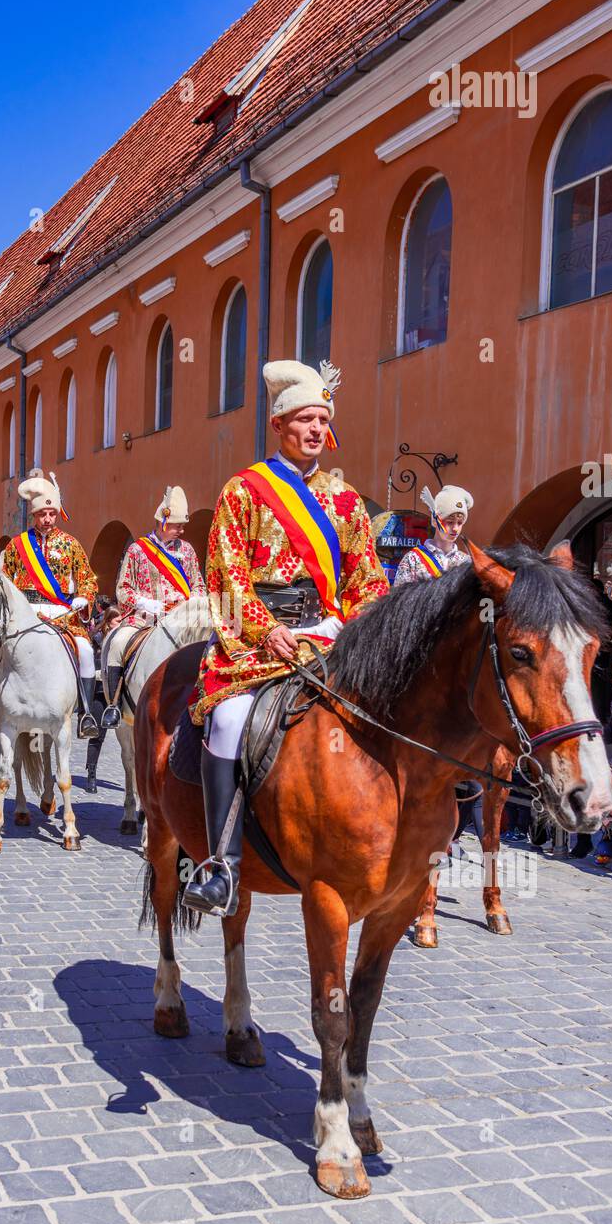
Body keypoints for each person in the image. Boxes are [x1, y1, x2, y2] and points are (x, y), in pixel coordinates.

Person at [183, 359, 388, 917]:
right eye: (305, 419)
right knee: (229, 720)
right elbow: (226, 574)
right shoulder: (243, 491)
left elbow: (367, 578)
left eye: (323, 419)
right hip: (257, 640)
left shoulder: (346, 500)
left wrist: (360, 628)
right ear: (279, 425)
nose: (316, 429)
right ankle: (222, 866)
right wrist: (264, 628)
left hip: (330, 633)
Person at [0, 471, 99, 738]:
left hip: (63, 614)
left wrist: (84, 597)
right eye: (42, 514)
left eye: (52, 514)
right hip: (25, 612)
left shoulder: (71, 545)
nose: (47, 519)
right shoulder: (17, 546)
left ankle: (85, 714)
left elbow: (88, 579)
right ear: (34, 515)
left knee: (86, 651)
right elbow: (3, 581)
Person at [101, 485, 206, 729]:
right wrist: (147, 603)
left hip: (181, 621)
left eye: (183, 526)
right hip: (144, 620)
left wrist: (191, 605)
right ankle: (114, 705)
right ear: (162, 522)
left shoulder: (187, 551)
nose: (181, 530)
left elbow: (199, 585)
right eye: (177, 525)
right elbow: (123, 589)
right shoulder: (137, 550)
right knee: (117, 643)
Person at [393, 484, 474, 585]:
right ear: (435, 521)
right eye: (450, 522)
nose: (455, 528)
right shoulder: (413, 559)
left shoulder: (466, 562)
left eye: (459, 523)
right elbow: (400, 594)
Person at [86, 603, 123, 793]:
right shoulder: (97, 639)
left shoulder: (124, 639)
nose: (121, 624)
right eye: (118, 621)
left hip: (118, 693)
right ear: (108, 622)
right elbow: (90, 664)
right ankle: (91, 774)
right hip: (100, 691)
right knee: (97, 735)